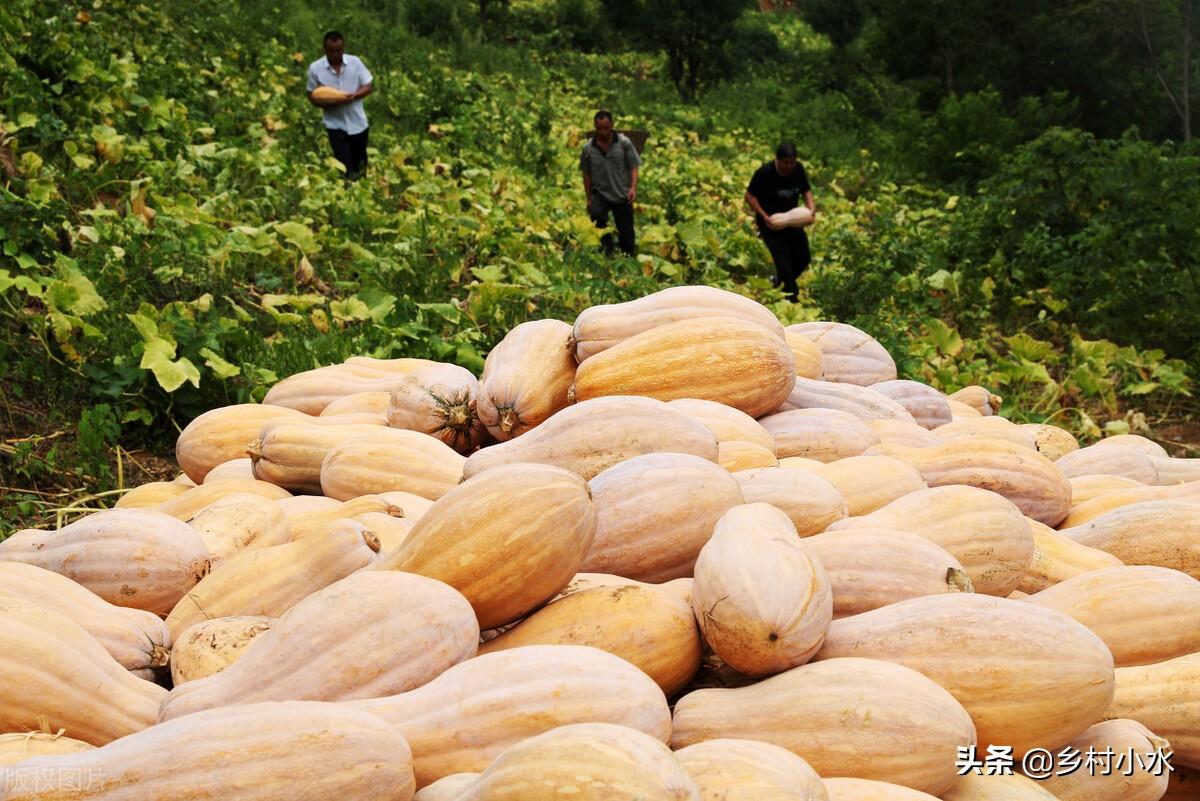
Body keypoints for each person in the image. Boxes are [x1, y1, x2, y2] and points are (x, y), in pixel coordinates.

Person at [744, 142, 816, 301]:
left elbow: (806, 190)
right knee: (783, 260)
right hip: (771, 224)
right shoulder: (765, 173)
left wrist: (811, 209)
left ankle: (780, 281)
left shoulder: (798, 169)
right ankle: (791, 296)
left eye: (793, 162)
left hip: (792, 221)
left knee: (803, 257)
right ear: (777, 160)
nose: (790, 166)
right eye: (786, 163)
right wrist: (764, 216)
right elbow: (750, 196)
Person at [307, 31, 374, 179]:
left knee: (360, 164)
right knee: (344, 166)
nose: (336, 54)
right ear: (325, 49)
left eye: (339, 50)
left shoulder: (355, 63)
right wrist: (328, 102)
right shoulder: (315, 68)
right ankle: (346, 191)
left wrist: (353, 96)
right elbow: (312, 95)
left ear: (343, 48)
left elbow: (368, 86)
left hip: (358, 123)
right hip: (334, 125)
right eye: (331, 51)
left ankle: (362, 192)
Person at [580, 110, 641, 256]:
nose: (602, 131)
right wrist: (589, 198)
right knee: (597, 216)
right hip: (601, 193)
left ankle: (628, 258)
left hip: (621, 193)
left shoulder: (623, 143)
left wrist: (633, 188)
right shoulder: (588, 148)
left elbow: (633, 166)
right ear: (595, 128)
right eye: (599, 128)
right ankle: (607, 249)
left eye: (606, 127)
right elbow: (586, 174)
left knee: (626, 231)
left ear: (612, 126)